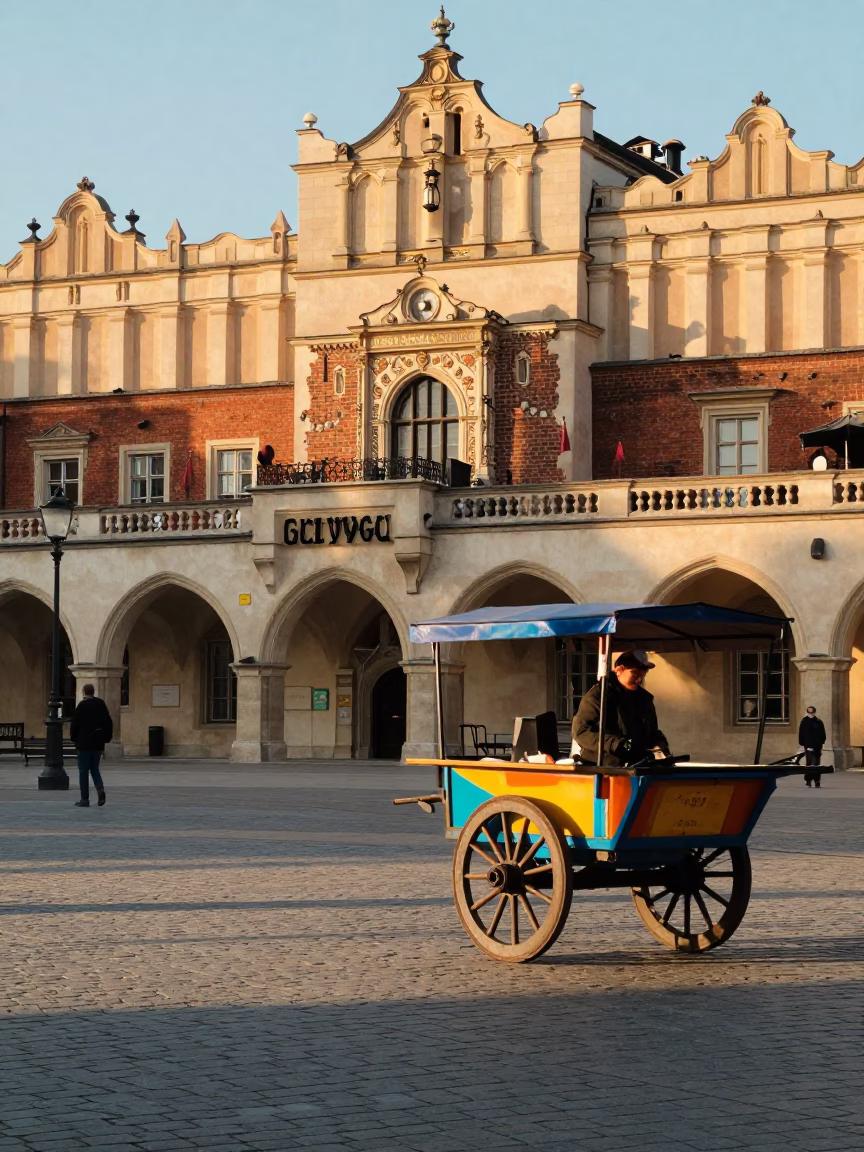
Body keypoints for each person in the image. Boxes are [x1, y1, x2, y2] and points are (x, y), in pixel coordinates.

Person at [573, 649, 669, 767]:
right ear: (619, 670)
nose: (640, 679)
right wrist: (615, 744)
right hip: (603, 769)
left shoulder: (644, 699)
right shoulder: (599, 695)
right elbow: (581, 731)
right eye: (635, 674)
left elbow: (652, 732)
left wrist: (660, 745)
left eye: (643, 675)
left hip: (637, 769)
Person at [69, 683, 113, 808]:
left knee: (83, 771)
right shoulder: (101, 704)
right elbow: (109, 722)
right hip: (98, 743)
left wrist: (73, 738)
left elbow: (75, 724)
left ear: (84, 692)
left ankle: (84, 799)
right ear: (94, 692)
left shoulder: (81, 706)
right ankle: (100, 789)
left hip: (84, 743)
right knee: (95, 769)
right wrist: (106, 738)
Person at [798, 705, 826, 788]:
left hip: (817, 746)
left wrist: (821, 743)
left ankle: (817, 781)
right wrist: (803, 743)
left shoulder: (818, 721)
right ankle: (808, 780)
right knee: (810, 763)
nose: (810, 714)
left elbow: (823, 734)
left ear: (814, 712)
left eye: (811, 712)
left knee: (816, 763)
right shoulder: (804, 722)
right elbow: (801, 733)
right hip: (808, 745)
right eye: (808, 712)